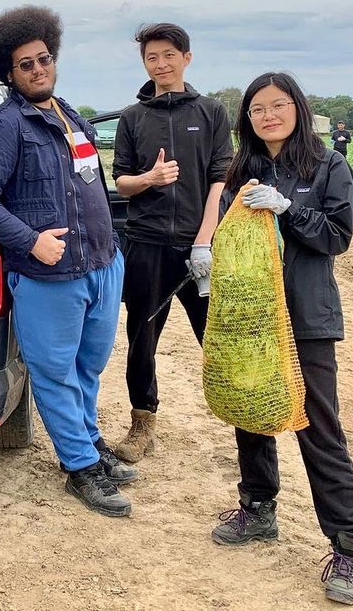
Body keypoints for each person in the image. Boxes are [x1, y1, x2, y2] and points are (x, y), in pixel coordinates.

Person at [0, 6, 134, 518]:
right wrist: (30, 240)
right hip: (49, 274)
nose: (38, 70)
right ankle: (80, 468)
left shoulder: (70, 115)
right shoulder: (4, 127)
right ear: (8, 73)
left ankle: (90, 440)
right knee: (55, 372)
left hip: (101, 264)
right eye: (25, 65)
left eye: (43, 59)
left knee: (88, 366)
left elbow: (86, 184)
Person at [210, 72, 353, 606]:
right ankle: (258, 509)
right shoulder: (244, 169)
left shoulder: (328, 167)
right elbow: (232, 237)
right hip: (252, 319)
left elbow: (336, 236)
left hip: (305, 317)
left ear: (297, 109)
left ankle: (349, 547)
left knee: (318, 426)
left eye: (277, 106)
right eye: (257, 109)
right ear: (247, 119)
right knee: (251, 413)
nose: (268, 116)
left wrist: (288, 208)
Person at [111, 23, 233, 463]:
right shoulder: (133, 116)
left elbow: (222, 177)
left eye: (168, 55)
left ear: (186, 57)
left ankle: (246, 425)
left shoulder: (211, 112)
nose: (160, 64)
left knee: (219, 338)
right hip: (146, 244)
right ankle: (143, 423)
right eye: (151, 58)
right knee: (141, 337)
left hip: (199, 248)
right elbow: (121, 180)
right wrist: (150, 178)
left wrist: (205, 241)